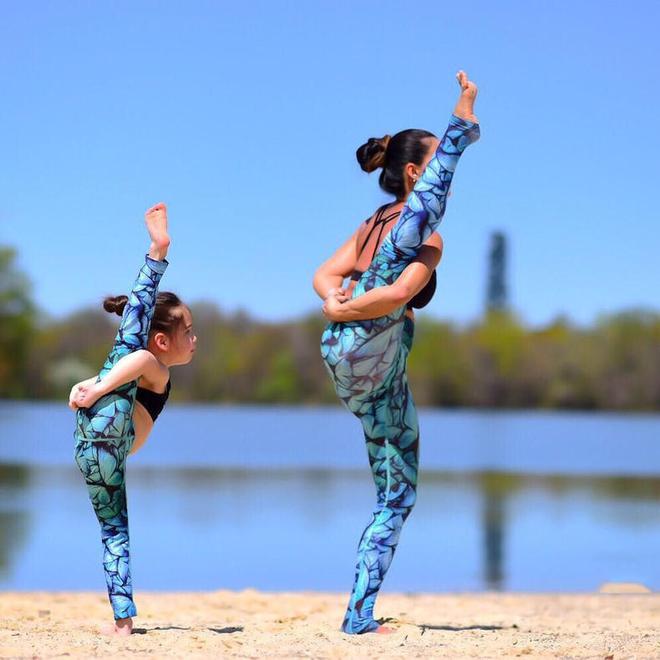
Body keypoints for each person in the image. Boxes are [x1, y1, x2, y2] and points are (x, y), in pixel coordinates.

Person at [314, 71, 480, 634]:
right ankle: (358, 613)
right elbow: (397, 294)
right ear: (414, 171)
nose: (440, 182)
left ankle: (359, 616)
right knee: (398, 493)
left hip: (362, 369)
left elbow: (324, 274)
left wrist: (334, 296)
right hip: (367, 345)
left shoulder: (371, 224)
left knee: (398, 489)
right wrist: (342, 306)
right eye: (431, 164)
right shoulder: (419, 228)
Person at [68, 203, 196, 635]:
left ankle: (156, 254)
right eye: (189, 332)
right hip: (108, 439)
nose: (195, 340)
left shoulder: (139, 370)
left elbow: (131, 356)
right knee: (115, 534)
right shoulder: (154, 370)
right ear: (166, 340)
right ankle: (122, 622)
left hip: (91, 447)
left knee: (113, 530)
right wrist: (95, 387)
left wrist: (88, 386)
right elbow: (141, 355)